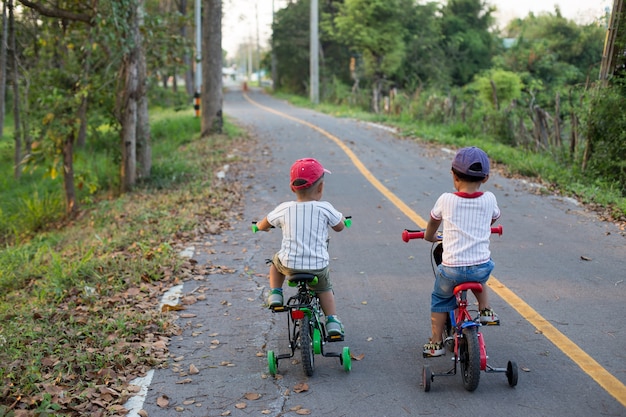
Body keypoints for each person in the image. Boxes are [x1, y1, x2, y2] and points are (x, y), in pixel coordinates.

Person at [254, 158, 348, 336]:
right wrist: (342, 220)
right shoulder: (325, 208)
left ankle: (275, 293)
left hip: (289, 265)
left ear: (292, 188)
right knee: (324, 288)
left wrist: (258, 226)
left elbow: (263, 224)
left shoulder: (284, 208)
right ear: (320, 188)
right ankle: (332, 321)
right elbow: (340, 226)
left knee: (275, 262)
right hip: (317, 267)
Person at [422, 146, 501, 357]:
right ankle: (485, 310)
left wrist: (429, 237)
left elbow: (433, 223)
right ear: (485, 178)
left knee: (440, 299)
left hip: (452, 270)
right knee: (480, 277)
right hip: (480, 267)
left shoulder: (446, 199)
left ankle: (436, 343)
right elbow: (493, 218)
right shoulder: (490, 199)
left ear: (454, 177)